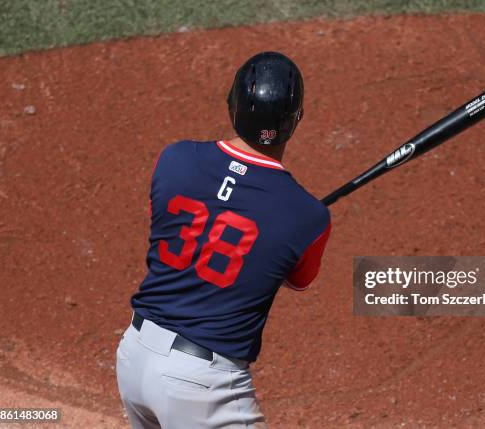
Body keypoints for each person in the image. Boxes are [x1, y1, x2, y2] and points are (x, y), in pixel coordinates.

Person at [115, 51, 332, 429]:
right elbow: (299, 279)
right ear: (296, 119)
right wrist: (291, 220)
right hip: (201, 387)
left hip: (134, 357)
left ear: (232, 106)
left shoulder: (175, 158)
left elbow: (183, 223)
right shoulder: (307, 216)